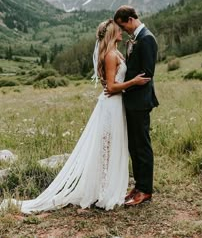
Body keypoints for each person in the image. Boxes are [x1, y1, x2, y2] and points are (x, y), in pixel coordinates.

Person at [0, 19, 150, 213]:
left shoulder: (116, 52)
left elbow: (113, 83)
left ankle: (105, 188)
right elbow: (112, 87)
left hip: (116, 104)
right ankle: (103, 191)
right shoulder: (111, 55)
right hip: (111, 106)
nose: (121, 32)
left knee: (111, 146)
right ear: (112, 33)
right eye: (118, 30)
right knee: (106, 147)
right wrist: (134, 83)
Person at [113, 5, 159, 206]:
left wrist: (123, 86)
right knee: (134, 146)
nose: (124, 31)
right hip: (132, 101)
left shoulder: (147, 39)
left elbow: (147, 74)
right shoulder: (135, 39)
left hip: (140, 102)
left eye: (124, 27)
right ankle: (139, 186)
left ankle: (146, 190)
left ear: (130, 19)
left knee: (142, 146)